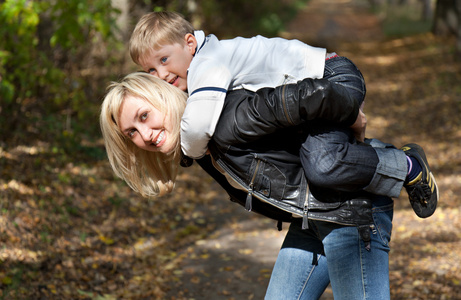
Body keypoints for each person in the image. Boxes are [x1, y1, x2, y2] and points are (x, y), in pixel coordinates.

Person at [100, 72, 394, 299]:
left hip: (350, 211)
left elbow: (306, 97)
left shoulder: (227, 117)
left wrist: (353, 115)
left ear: (163, 96)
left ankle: (404, 163)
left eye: (144, 116)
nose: (145, 135)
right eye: (132, 133)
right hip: (312, 217)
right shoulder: (197, 147)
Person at [128, 11, 438, 219]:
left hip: (331, 77)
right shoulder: (203, 63)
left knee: (324, 164)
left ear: (190, 43)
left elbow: (196, 130)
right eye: (151, 70)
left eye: (164, 59)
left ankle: (408, 165)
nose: (161, 73)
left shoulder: (207, 64)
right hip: (313, 95)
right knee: (318, 159)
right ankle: (371, 159)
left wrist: (187, 149)